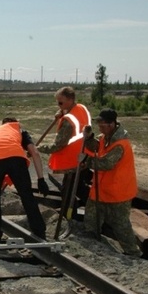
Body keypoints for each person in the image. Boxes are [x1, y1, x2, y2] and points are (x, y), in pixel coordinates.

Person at [82, 109, 142, 257]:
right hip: (101, 190)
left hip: (118, 193)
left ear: (111, 124)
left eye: (102, 125)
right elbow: (97, 147)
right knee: (91, 219)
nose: (100, 128)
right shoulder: (106, 137)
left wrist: (86, 161)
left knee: (121, 227)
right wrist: (89, 138)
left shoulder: (120, 143)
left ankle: (133, 254)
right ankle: (94, 246)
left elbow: (106, 163)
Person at [0, 118, 49, 241]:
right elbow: (35, 153)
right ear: (15, 123)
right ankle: (39, 232)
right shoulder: (19, 130)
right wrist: (41, 179)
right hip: (17, 158)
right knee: (27, 195)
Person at [37, 86, 92, 217]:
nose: (58, 105)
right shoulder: (81, 109)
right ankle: (96, 207)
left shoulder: (68, 121)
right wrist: (62, 111)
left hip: (72, 160)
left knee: (68, 192)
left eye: (60, 103)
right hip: (84, 155)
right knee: (79, 188)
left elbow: (58, 145)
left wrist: (38, 148)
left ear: (70, 100)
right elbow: (74, 116)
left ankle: (68, 217)